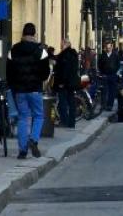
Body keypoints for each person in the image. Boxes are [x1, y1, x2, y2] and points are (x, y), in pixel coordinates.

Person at [6, 23, 50, 159]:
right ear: (34, 34)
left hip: (20, 90)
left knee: (22, 118)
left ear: (22, 34)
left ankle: (22, 150)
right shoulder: (40, 51)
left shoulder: (13, 50)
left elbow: (9, 73)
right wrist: (39, 79)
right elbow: (45, 72)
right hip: (35, 89)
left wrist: (14, 86)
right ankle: (34, 139)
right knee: (38, 116)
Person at [53, 39, 80, 129]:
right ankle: (71, 122)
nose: (61, 46)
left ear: (66, 44)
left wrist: (62, 82)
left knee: (63, 103)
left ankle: (64, 121)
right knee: (71, 103)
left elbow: (65, 70)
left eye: (62, 44)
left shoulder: (65, 55)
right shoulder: (73, 54)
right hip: (71, 83)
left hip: (64, 84)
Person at [98, 42, 121, 111]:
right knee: (104, 91)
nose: (108, 49)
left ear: (111, 48)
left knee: (112, 91)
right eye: (107, 48)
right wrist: (102, 73)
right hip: (105, 75)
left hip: (113, 75)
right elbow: (99, 65)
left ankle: (110, 105)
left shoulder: (115, 55)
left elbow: (118, 65)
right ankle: (103, 105)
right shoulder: (102, 55)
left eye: (109, 48)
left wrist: (115, 72)